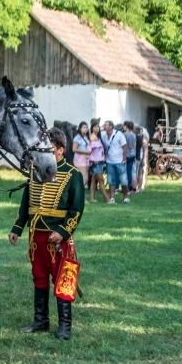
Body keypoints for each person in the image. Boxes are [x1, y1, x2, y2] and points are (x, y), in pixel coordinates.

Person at [9, 127, 84, 341]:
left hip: (58, 238)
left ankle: (65, 326)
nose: (45, 152)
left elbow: (76, 209)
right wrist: (17, 228)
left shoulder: (73, 174)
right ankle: (40, 320)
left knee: (64, 279)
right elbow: (26, 204)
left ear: (60, 150)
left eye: (50, 148)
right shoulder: (36, 172)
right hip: (36, 237)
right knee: (39, 278)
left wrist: (63, 231)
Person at [101, 120, 129, 204]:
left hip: (119, 160)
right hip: (110, 161)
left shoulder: (119, 134)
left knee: (123, 180)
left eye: (106, 125)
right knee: (110, 180)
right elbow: (104, 147)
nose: (104, 126)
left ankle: (125, 197)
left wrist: (124, 159)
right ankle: (112, 197)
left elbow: (124, 147)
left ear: (111, 126)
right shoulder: (103, 136)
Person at [88, 122, 109, 203]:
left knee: (94, 180)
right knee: (101, 180)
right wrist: (92, 159)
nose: (97, 128)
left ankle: (92, 198)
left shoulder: (98, 137)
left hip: (100, 161)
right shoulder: (92, 137)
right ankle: (107, 199)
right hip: (95, 162)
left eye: (98, 127)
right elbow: (89, 150)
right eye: (95, 127)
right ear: (92, 128)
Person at [72, 122, 91, 193]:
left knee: (85, 178)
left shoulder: (86, 137)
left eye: (86, 127)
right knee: (84, 178)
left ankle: (80, 195)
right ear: (80, 129)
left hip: (86, 159)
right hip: (79, 160)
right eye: (84, 127)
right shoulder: (77, 138)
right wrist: (86, 152)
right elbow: (74, 149)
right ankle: (78, 195)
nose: (86, 129)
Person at [123, 121, 137, 192]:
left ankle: (127, 186)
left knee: (125, 172)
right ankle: (130, 187)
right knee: (130, 171)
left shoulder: (124, 134)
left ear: (126, 126)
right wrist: (134, 154)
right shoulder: (134, 135)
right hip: (132, 154)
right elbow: (135, 146)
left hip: (126, 154)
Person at [135, 126, 149, 192]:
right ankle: (137, 186)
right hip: (138, 157)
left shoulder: (143, 141)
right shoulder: (140, 139)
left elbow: (145, 151)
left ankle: (139, 187)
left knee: (139, 173)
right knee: (137, 173)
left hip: (139, 157)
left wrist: (144, 159)